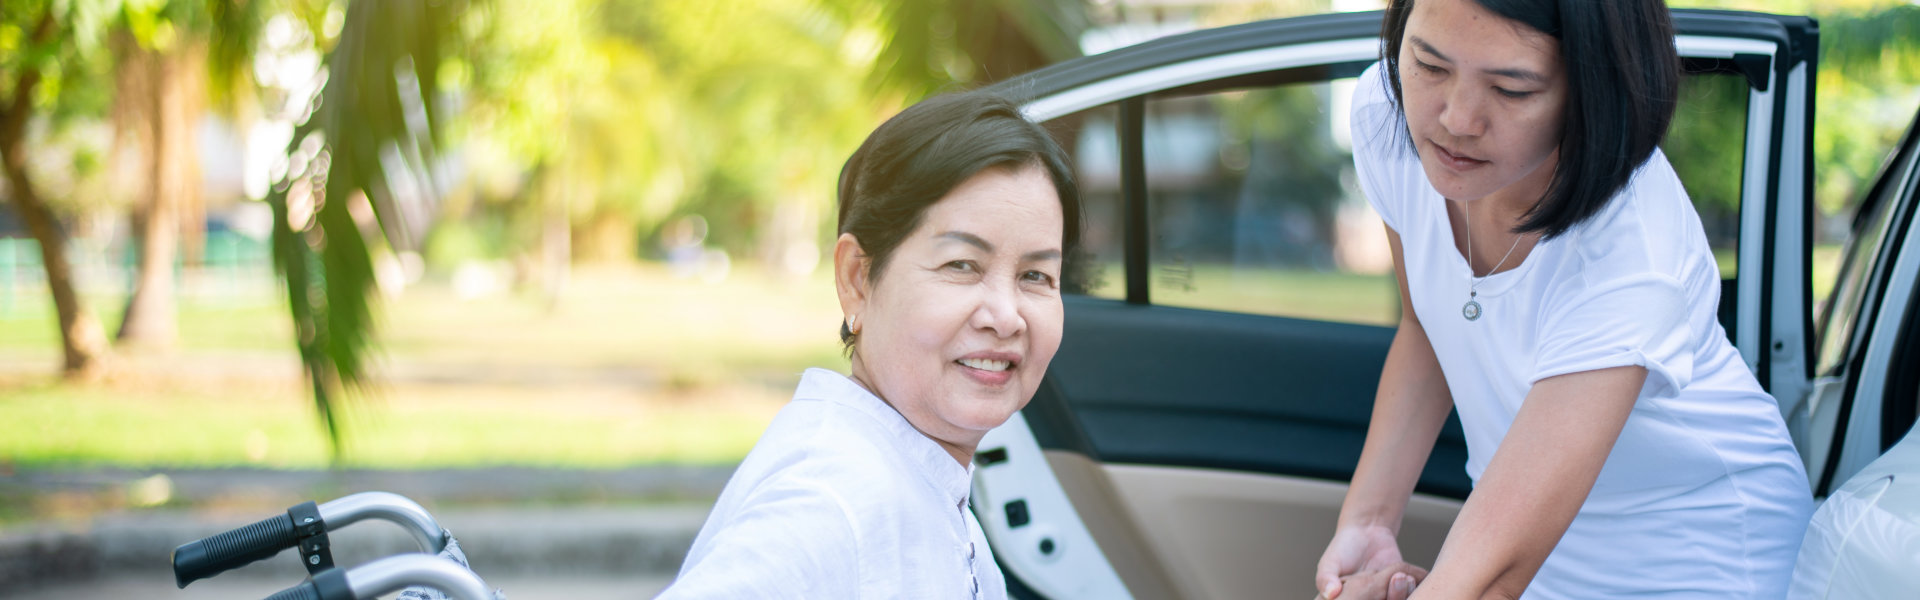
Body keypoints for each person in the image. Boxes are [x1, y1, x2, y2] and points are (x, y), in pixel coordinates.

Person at [1315, 0, 1815, 598]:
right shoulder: (1388, 117)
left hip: (1697, 551)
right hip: (1536, 538)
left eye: (1511, 89)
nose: (1456, 118)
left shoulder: (1631, 250)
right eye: (1430, 64)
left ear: (1592, 93)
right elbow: (1429, 327)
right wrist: (1369, 519)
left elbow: (1485, 581)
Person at [655, 89, 1079, 599]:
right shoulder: (832, 500)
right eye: (961, 265)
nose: (1006, 316)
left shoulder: (914, 473)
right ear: (857, 278)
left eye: (1036, 275)